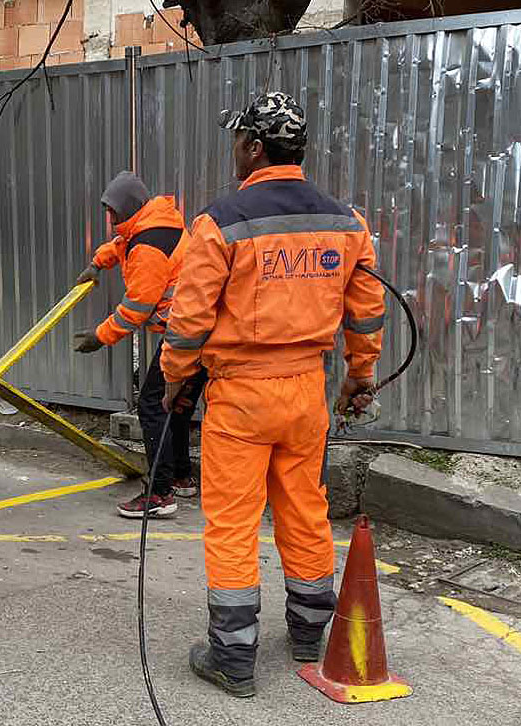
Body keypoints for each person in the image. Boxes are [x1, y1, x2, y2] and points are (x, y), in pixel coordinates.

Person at [160, 92, 385, 697]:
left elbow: (189, 318)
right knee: (304, 507)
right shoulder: (345, 221)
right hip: (307, 390)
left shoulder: (220, 222)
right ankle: (312, 633)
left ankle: (232, 657)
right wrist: (359, 376)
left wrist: (174, 379)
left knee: (233, 522)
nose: (234, 150)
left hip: (240, 394)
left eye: (239, 140)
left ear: (255, 148)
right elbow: (365, 313)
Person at [73, 171, 206, 518]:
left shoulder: (148, 248)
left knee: (153, 405)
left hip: (186, 335)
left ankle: (160, 494)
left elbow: (135, 310)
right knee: (175, 407)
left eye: (113, 212)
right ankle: (180, 477)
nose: (111, 218)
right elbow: (120, 245)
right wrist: (96, 264)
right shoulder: (154, 224)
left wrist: (99, 337)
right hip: (202, 331)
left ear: (129, 208)